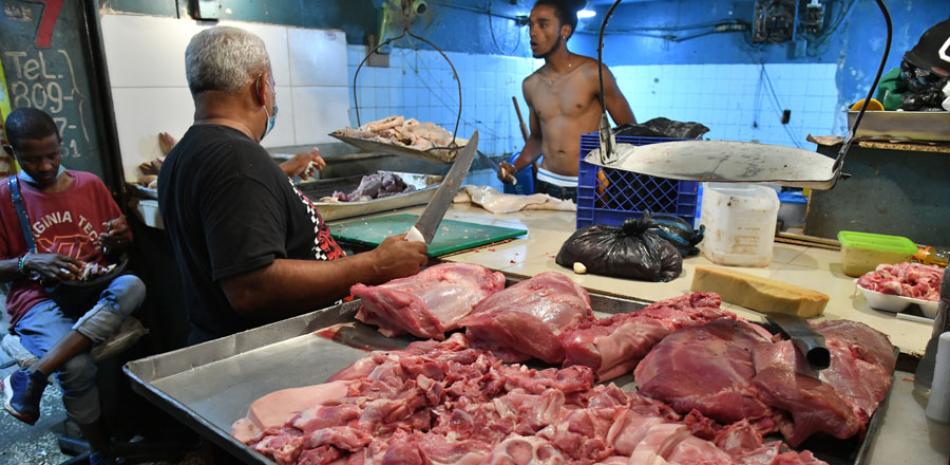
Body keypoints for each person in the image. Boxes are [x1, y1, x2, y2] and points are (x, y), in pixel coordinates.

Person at [159, 26, 428, 344]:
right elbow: (251, 287)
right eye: (273, 84)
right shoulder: (234, 158)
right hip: (269, 354)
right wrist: (375, 263)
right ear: (261, 87)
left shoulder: (186, 152)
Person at [0, 107, 146, 465]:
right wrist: (27, 261)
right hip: (37, 299)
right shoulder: (6, 196)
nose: (46, 166)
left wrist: (119, 240)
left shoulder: (89, 184)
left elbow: (114, 245)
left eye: (52, 155)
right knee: (77, 367)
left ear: (61, 145)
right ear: (13, 152)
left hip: (93, 290)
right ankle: (99, 450)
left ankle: (35, 373)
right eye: (33, 159)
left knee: (133, 285)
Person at [498, 0, 635, 200]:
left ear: (565, 31)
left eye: (543, 24)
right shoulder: (531, 84)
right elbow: (537, 138)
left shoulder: (594, 73)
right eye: (531, 24)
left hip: (588, 184)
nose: (533, 32)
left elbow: (630, 129)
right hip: (546, 184)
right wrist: (515, 166)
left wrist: (612, 174)